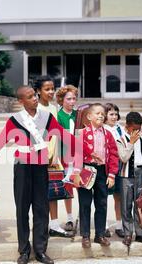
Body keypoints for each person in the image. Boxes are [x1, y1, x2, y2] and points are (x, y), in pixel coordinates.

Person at [0, 85, 83, 264]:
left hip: (41, 167)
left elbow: (64, 137)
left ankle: (40, 250)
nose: (35, 98)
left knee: (41, 210)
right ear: (21, 101)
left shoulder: (47, 117)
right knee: (22, 209)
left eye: (35, 95)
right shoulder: (15, 120)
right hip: (22, 168)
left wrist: (85, 151)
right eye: (30, 96)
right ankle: (23, 250)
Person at [76, 103, 119, 248]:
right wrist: (77, 172)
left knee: (101, 203)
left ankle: (99, 235)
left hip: (102, 172)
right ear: (89, 116)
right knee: (85, 203)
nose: (101, 115)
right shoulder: (81, 133)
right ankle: (85, 235)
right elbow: (75, 153)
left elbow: (113, 154)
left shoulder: (108, 134)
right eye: (97, 113)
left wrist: (112, 175)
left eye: (102, 113)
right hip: (86, 170)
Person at [34, 77, 72, 238]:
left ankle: (54, 225)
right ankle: (40, 226)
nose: (50, 92)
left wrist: (55, 156)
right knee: (38, 194)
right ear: (38, 91)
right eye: (47, 89)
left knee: (53, 191)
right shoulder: (33, 108)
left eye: (52, 89)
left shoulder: (54, 108)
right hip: (37, 157)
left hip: (52, 158)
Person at [116, 112, 142, 247]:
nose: (136, 132)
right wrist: (131, 143)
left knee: (140, 205)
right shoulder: (121, 139)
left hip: (141, 175)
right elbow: (124, 158)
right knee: (126, 206)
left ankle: (141, 233)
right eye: (133, 129)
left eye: (138, 129)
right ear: (127, 127)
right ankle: (128, 233)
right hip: (126, 176)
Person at [54, 85, 79, 234]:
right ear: (61, 100)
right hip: (64, 156)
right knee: (67, 187)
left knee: (82, 186)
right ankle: (69, 217)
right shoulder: (59, 116)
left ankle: (82, 215)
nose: (71, 101)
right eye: (68, 99)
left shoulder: (79, 115)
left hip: (79, 156)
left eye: (74, 98)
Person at [103, 103, 125, 238]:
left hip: (120, 166)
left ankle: (119, 225)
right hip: (107, 167)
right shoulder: (103, 129)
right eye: (111, 114)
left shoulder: (120, 129)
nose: (114, 116)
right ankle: (103, 225)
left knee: (119, 197)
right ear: (105, 116)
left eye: (116, 114)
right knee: (103, 197)